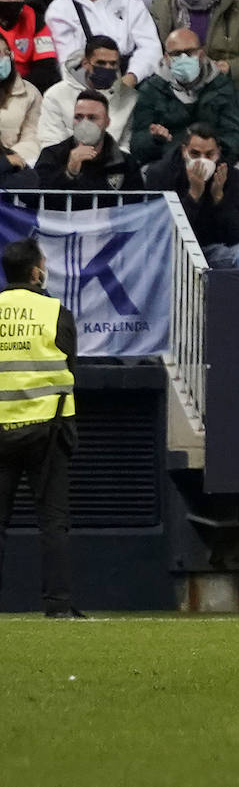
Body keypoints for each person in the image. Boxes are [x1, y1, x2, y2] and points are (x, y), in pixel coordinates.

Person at [0, 239, 81, 618]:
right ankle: (58, 606)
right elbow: (70, 367)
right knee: (53, 522)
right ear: (36, 273)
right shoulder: (56, 312)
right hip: (48, 429)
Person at [128, 28, 239, 166]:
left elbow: (238, 138)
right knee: (145, 172)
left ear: (201, 54)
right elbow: (137, 144)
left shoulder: (221, 86)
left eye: (189, 52)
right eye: (176, 54)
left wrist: (207, 149)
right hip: (168, 163)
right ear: (166, 58)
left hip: (214, 161)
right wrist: (154, 139)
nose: (183, 58)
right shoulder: (150, 89)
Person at [145, 122, 239, 268]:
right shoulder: (161, 174)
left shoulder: (229, 175)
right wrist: (193, 196)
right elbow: (162, 233)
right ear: (184, 151)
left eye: (209, 155)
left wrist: (219, 200)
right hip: (172, 254)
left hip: (211, 249)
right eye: (195, 154)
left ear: (218, 152)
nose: (202, 160)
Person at [150, 0, 239, 94]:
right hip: (176, 88)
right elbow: (153, 53)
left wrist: (229, 67)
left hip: (230, 88)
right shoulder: (162, 6)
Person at [36, 89, 144, 201]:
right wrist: (68, 173)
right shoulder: (51, 155)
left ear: (107, 122)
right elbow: (35, 198)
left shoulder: (126, 164)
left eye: (92, 118)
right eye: (78, 117)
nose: (84, 123)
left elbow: (137, 207)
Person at [45, 0, 162, 88]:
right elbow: (69, 63)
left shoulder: (131, 3)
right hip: (85, 88)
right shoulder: (60, 8)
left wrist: (132, 77)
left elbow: (151, 48)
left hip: (133, 84)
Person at [39, 35, 137, 153]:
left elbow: (125, 145)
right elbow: (50, 142)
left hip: (112, 162)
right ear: (85, 63)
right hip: (66, 160)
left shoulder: (129, 98)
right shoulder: (56, 95)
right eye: (101, 63)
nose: (108, 68)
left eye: (113, 64)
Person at [0, 35, 42, 187]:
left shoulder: (30, 93)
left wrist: (11, 159)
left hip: (18, 165)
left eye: (6, 53)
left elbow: (33, 137)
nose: (4, 59)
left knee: (30, 181)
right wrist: (4, 161)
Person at [0, 0, 59, 92]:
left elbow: (46, 67)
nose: (13, 0)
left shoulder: (36, 20)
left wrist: (19, 89)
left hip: (27, 89)